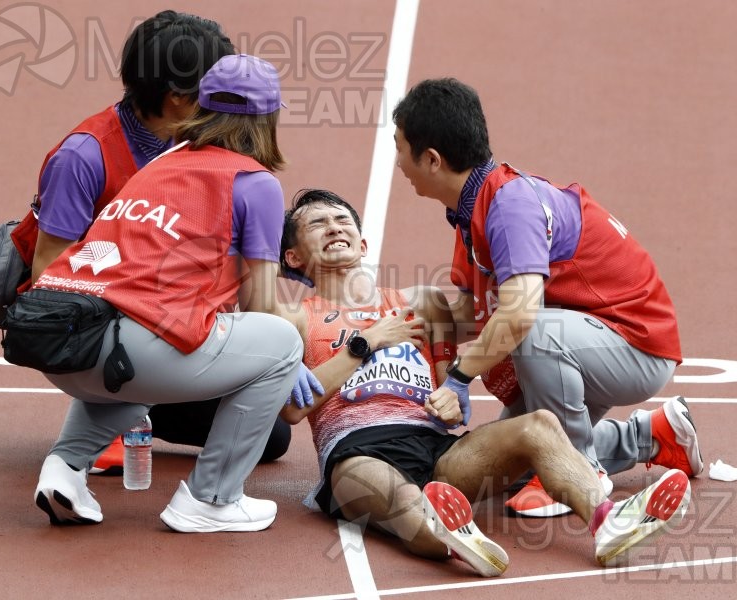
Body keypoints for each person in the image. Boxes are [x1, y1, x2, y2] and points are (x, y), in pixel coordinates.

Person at [276, 189, 691, 575]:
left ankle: (607, 520)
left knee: (539, 425)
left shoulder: (420, 302)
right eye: (317, 224)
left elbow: (445, 391)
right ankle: (449, 536)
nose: (334, 227)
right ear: (294, 258)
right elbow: (293, 409)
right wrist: (365, 344)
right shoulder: (293, 319)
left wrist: (449, 402)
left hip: (434, 448)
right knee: (406, 504)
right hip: (354, 452)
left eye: (342, 220)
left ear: (363, 244)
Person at [390, 78, 703, 518]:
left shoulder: (510, 206)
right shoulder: (472, 208)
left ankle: (583, 472)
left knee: (532, 330)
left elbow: (517, 315)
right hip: (587, 337)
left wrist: (459, 378)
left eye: (400, 147)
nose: (398, 161)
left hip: (635, 344)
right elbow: (472, 313)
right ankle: (653, 436)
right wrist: (395, 314)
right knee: (508, 454)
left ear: (432, 159)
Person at [32, 54, 315, 532]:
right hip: (130, 351)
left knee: (146, 358)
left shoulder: (161, 162)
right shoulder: (254, 182)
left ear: (201, 107)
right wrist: (296, 362)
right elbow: (261, 306)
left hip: (62, 343)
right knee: (280, 342)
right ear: (269, 118)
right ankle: (212, 498)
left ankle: (64, 469)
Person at [8, 10, 290, 471]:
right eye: (215, 84)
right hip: (89, 328)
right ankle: (203, 490)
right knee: (272, 358)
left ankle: (119, 412)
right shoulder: (83, 157)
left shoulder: (198, 151)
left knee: (273, 437)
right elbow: (48, 272)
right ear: (181, 98)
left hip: (167, 322)